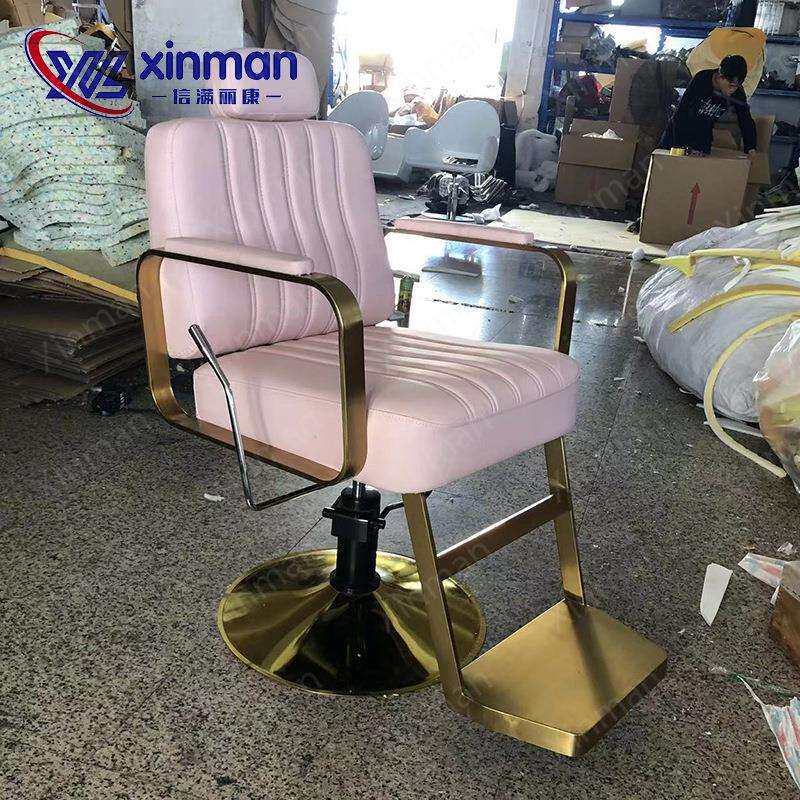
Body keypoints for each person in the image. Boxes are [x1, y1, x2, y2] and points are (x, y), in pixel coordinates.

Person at [661, 54, 757, 155]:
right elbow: (681, 112)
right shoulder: (702, 79)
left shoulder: (737, 93)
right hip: (678, 132)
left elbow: (745, 119)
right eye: (731, 85)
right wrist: (679, 146)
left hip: (702, 138)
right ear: (720, 77)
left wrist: (750, 147)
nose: (732, 90)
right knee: (665, 161)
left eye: (736, 86)